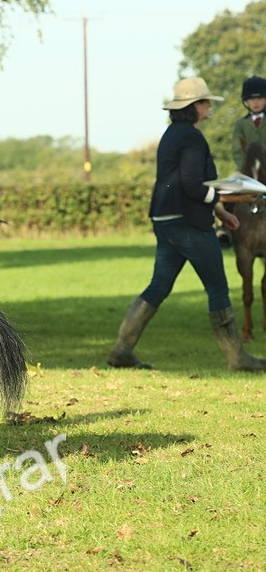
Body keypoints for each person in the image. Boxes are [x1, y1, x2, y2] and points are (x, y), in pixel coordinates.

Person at [108, 77, 266, 371]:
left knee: (159, 285)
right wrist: (227, 196)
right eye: (206, 102)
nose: (209, 107)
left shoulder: (172, 134)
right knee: (218, 288)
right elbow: (193, 186)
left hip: (165, 220)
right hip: (188, 225)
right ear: (195, 106)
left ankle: (122, 350)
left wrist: (222, 213)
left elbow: (185, 185)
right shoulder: (192, 138)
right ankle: (237, 358)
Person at [231, 75, 266, 173]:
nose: (256, 102)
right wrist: (247, 167)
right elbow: (237, 150)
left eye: (259, 98)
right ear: (245, 101)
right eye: (251, 99)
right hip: (247, 169)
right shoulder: (240, 124)